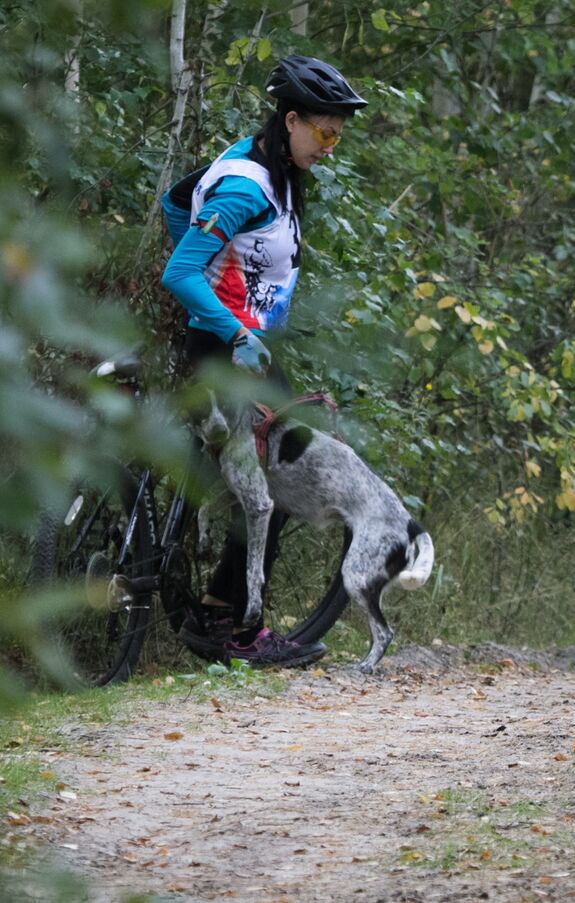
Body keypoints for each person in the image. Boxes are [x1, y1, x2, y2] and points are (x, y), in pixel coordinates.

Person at [161, 55, 368, 667]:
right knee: (276, 485)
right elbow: (179, 269)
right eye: (325, 132)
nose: (331, 146)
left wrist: (226, 290)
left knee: (251, 481)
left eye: (339, 135)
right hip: (229, 353)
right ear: (292, 120)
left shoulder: (264, 166)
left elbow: (178, 203)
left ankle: (213, 613)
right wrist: (228, 322)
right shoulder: (247, 183)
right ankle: (235, 629)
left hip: (234, 348)